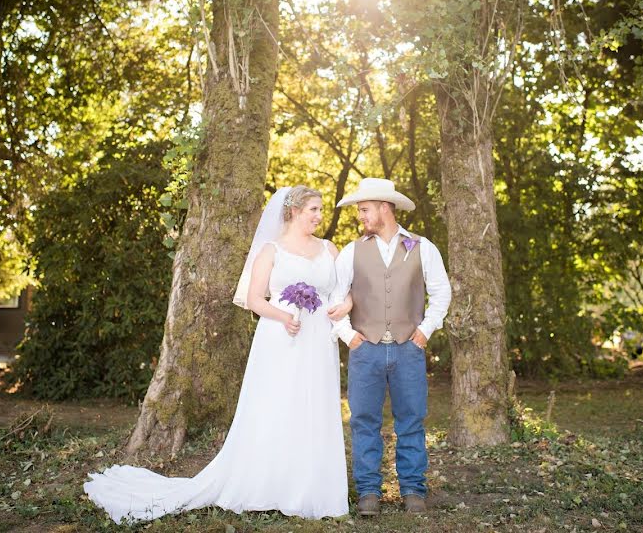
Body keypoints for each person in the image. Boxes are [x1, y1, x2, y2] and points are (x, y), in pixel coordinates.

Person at [84, 186, 350, 523]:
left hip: (318, 340)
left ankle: (315, 488)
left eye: (320, 209)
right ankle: (273, 485)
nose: (319, 215)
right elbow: (254, 299)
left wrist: (344, 307)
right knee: (279, 404)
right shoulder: (271, 251)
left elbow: (346, 291)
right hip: (281, 337)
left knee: (316, 405)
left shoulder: (329, 248)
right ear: (294, 211)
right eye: (313, 209)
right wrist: (284, 316)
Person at [328, 178, 451, 516]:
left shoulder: (421, 246)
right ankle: (368, 491)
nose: (360, 216)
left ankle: (413, 490)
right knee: (363, 421)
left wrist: (426, 330)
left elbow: (442, 291)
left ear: (384, 207)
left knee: (411, 420)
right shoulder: (352, 251)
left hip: (407, 349)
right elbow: (335, 298)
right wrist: (347, 335)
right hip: (364, 349)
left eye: (364, 209)